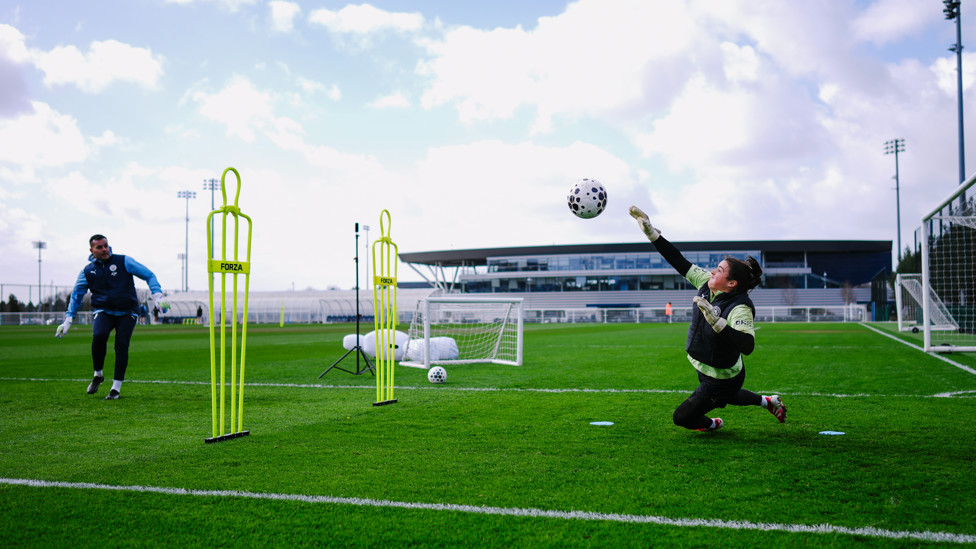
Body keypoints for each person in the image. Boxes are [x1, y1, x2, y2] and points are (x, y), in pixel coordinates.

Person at [629, 206, 786, 431]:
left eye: (719, 270)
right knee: (727, 396)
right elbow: (678, 260)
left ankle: (713, 424)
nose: (713, 271)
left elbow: (748, 346)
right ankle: (768, 402)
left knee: (682, 417)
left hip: (722, 376)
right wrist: (652, 234)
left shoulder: (740, 307)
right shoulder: (706, 281)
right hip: (705, 365)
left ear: (732, 283)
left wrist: (719, 324)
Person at [55, 234, 168, 400]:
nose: (104, 249)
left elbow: (149, 275)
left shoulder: (124, 261)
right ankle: (98, 375)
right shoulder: (87, 271)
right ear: (92, 250)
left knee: (121, 345)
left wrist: (158, 295)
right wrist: (68, 320)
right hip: (104, 311)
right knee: (99, 336)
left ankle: (116, 388)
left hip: (128, 312)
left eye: (106, 245)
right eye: (99, 247)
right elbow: (76, 295)